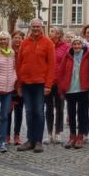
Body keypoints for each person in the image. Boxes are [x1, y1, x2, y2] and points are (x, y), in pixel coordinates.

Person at [16, 19, 55, 152]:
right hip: (26, 83)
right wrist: (19, 85)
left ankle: (38, 141)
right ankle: (30, 140)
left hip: (40, 83)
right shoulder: (25, 42)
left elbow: (51, 66)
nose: (36, 29)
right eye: (33, 27)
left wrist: (48, 85)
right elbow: (19, 64)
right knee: (28, 112)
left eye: (38, 26)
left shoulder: (48, 43)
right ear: (30, 28)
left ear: (41, 27)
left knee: (39, 112)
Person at [56, 36, 89, 149]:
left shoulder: (88, 55)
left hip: (83, 89)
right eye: (74, 44)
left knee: (82, 114)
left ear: (82, 45)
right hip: (70, 90)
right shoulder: (67, 56)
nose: (77, 46)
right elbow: (61, 72)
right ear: (72, 45)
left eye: (79, 44)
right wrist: (61, 88)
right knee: (71, 114)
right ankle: (72, 136)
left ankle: (80, 136)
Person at [45, 27, 70, 145]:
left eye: (52, 31)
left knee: (60, 107)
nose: (50, 33)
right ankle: (49, 133)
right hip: (48, 81)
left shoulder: (65, 47)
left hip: (60, 82)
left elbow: (68, 64)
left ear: (59, 34)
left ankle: (58, 132)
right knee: (49, 108)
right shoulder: (47, 45)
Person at [8, 30, 25, 145]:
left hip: (20, 85)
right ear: (12, 39)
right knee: (7, 111)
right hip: (9, 85)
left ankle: (17, 135)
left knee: (19, 112)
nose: (17, 40)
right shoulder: (8, 51)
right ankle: (6, 135)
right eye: (15, 37)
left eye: (19, 38)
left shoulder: (24, 51)